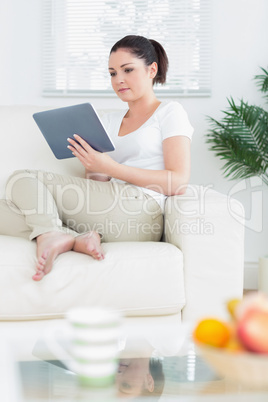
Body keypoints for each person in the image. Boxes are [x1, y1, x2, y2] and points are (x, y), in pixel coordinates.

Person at [0, 35, 193, 281]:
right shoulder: (109, 122)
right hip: (108, 215)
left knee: (22, 178)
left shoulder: (170, 112)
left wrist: (111, 167)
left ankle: (51, 232)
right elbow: (98, 187)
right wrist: (93, 167)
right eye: (112, 73)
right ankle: (72, 236)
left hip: (142, 210)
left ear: (151, 70)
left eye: (128, 70)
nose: (118, 80)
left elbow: (178, 182)